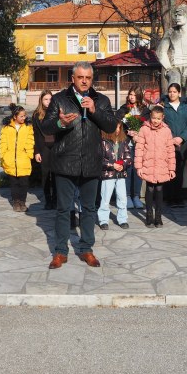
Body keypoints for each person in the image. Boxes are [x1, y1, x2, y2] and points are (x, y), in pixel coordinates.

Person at [40, 62, 118, 269]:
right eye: (80, 77)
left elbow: (111, 126)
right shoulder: (59, 99)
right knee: (64, 209)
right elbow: (45, 126)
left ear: (92, 79)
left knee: (89, 209)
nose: (84, 81)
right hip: (65, 161)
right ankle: (60, 251)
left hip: (91, 161)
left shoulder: (101, 100)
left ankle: (86, 249)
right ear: (72, 78)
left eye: (88, 78)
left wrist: (94, 110)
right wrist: (60, 123)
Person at [156, 5, 187, 113]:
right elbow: (160, 52)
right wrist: (168, 67)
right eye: (176, 15)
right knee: (174, 77)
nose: (177, 17)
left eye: (180, 15)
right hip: (175, 66)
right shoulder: (171, 32)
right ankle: (172, 112)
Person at [134, 106, 176, 228]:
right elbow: (139, 149)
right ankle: (149, 215)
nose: (155, 121)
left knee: (159, 190)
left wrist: (171, 168)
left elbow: (170, 150)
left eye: (158, 118)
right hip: (148, 165)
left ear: (162, 118)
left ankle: (158, 216)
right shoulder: (144, 129)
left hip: (162, 166)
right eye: (153, 118)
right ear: (150, 117)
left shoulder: (167, 131)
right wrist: (139, 167)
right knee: (150, 189)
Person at [160, 82, 187, 206]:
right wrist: (170, 139)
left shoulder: (186, 107)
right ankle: (169, 197)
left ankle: (178, 197)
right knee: (169, 169)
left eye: (174, 92)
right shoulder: (164, 107)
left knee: (179, 170)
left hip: (183, 144)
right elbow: (160, 123)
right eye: (170, 91)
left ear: (179, 93)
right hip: (167, 143)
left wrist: (181, 137)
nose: (172, 94)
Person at [117, 85, 150, 209]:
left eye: (134, 95)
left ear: (139, 96)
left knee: (137, 170)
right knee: (128, 169)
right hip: (126, 144)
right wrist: (128, 131)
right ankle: (127, 196)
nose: (132, 97)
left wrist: (138, 132)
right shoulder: (124, 108)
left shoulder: (145, 110)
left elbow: (147, 124)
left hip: (140, 145)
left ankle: (136, 196)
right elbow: (118, 121)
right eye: (130, 94)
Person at [0, 105, 35, 212]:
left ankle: (22, 202)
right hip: (10, 161)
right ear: (15, 116)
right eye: (21, 116)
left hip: (23, 160)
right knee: (14, 184)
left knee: (24, 183)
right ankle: (16, 202)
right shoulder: (7, 128)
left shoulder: (28, 127)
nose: (24, 118)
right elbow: (3, 142)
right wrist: (3, 155)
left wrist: (29, 154)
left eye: (25, 116)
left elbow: (30, 141)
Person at [98, 122, 133, 229]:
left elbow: (128, 157)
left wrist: (123, 165)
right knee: (105, 198)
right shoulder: (103, 142)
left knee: (122, 198)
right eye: (115, 128)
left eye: (119, 128)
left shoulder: (124, 141)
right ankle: (103, 220)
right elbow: (99, 160)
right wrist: (112, 165)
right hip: (108, 175)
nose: (117, 130)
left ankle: (122, 219)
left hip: (121, 174)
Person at [32, 90, 56, 210]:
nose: (48, 102)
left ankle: (56, 199)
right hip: (44, 147)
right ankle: (48, 200)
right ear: (41, 100)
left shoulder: (56, 112)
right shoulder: (36, 115)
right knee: (46, 174)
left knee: (57, 173)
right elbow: (35, 134)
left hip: (56, 147)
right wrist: (36, 151)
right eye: (46, 99)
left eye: (50, 99)